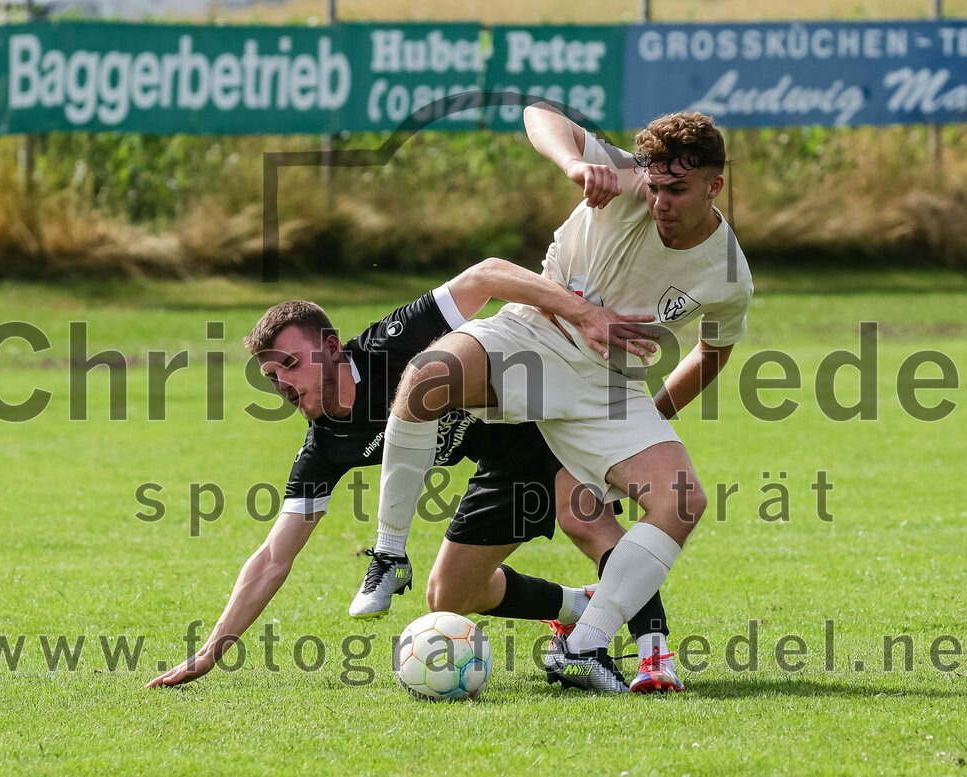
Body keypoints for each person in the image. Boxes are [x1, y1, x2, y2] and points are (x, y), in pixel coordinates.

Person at [360, 104, 754, 693]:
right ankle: (390, 553)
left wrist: (654, 417)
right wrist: (575, 163)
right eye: (656, 186)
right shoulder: (624, 180)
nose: (660, 202)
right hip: (535, 333)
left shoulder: (729, 272)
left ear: (715, 185)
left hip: (607, 386)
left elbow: (714, 350)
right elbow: (538, 112)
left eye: (678, 189)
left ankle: (585, 644)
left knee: (681, 501)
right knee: (426, 377)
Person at [145, 257, 678, 689]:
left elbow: (486, 275)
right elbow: (272, 558)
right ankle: (578, 607)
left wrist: (580, 312)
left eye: (290, 364)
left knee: (584, 519)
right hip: (504, 461)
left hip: (552, 417)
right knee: (450, 594)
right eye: (270, 376)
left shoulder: (391, 344)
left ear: (331, 347)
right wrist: (211, 651)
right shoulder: (325, 448)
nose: (282, 384)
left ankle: (656, 657)